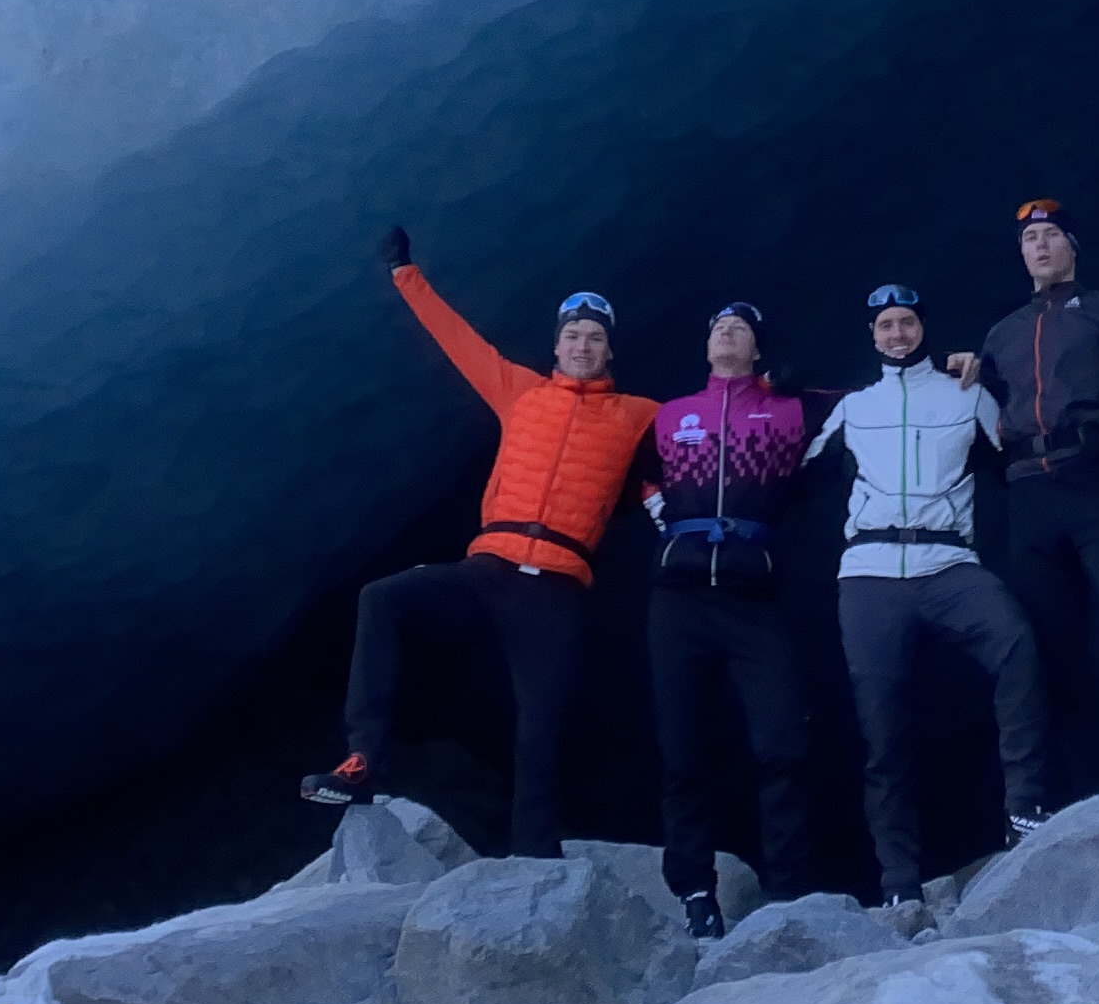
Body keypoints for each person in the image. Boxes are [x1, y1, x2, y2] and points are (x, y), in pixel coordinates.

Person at [306, 228, 654, 857]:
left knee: (542, 719)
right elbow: (455, 336)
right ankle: (363, 761)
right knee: (383, 599)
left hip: (555, 586)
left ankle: (535, 851)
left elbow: (707, 428)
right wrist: (403, 272)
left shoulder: (637, 416)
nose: (582, 345)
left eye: (594, 338)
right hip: (486, 569)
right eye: (573, 335)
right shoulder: (520, 391)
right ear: (556, 345)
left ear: (609, 351)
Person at [814, 281, 1051, 910]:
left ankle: (1024, 810)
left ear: (923, 329)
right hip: (867, 573)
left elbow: (1022, 464)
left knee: (1016, 644)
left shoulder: (965, 395)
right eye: (886, 325)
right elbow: (794, 476)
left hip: (948, 562)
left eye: (907, 323)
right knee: (881, 728)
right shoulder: (851, 408)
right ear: (872, 335)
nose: (897, 334)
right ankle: (898, 882)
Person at [949, 198, 1099, 800]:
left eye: (1051, 235)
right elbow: (982, 422)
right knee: (1052, 653)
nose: (1040, 246)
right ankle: (1085, 791)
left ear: (1073, 245)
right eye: (1030, 240)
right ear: (1020, 254)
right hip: (1030, 499)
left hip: (1096, 484)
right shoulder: (1001, 334)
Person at [640, 302, 821, 935]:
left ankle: (789, 891)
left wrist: (953, 366)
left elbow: (881, 397)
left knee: (782, 744)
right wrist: (663, 515)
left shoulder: (792, 411)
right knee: (684, 752)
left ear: (757, 349)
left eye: (741, 327)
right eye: (718, 325)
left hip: (753, 596)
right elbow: (630, 465)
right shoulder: (669, 414)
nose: (726, 332)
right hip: (680, 598)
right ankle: (693, 891)